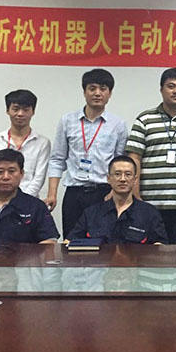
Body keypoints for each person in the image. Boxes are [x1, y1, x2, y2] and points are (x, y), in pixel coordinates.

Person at [126, 67, 176, 244]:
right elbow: (134, 158)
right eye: (171, 86)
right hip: (148, 203)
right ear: (161, 89)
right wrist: (136, 194)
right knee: (147, 254)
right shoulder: (145, 119)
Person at [45, 69, 128, 238]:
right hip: (74, 193)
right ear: (84, 92)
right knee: (71, 241)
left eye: (103, 89)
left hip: (104, 193)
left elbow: (120, 162)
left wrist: (115, 192)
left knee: (104, 242)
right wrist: (52, 193)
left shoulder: (118, 124)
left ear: (110, 93)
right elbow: (57, 159)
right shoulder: (67, 121)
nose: (97, 93)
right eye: (92, 88)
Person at [66, 156, 167, 244]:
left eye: (128, 174)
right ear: (108, 179)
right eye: (117, 174)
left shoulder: (149, 213)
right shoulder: (91, 213)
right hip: (100, 261)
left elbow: (160, 247)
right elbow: (69, 242)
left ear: (135, 180)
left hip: (136, 261)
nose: (122, 179)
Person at [0, 89, 50, 197]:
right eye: (15, 109)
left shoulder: (42, 143)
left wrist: (21, 200)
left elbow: (39, 178)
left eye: (26, 110)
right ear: (7, 110)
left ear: (33, 112)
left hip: (30, 201)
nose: (20, 114)